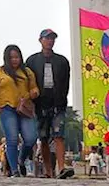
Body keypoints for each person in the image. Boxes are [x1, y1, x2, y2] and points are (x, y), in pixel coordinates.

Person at [26, 29, 74, 179]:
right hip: (40, 104)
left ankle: (61, 168)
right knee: (44, 137)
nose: (50, 41)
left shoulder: (62, 61)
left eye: (52, 38)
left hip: (57, 103)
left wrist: (62, 99)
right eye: (47, 38)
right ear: (40, 40)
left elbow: (66, 83)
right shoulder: (32, 61)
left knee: (59, 135)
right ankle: (48, 170)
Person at [0, 44, 39, 177]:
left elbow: (34, 88)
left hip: (24, 108)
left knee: (31, 138)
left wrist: (34, 92)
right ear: (6, 59)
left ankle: (21, 159)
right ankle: (14, 170)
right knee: (12, 139)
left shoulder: (27, 72)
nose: (14, 60)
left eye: (17, 57)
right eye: (11, 58)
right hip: (6, 108)